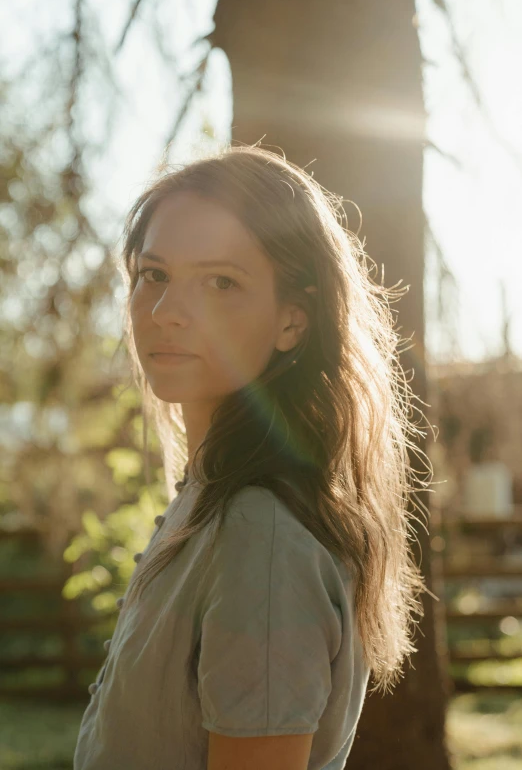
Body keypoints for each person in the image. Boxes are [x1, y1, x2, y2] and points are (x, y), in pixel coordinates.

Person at [73, 143, 433, 770]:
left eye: (220, 282)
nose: (164, 313)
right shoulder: (209, 504)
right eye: (153, 274)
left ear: (292, 322)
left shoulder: (259, 541)